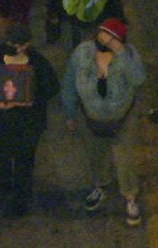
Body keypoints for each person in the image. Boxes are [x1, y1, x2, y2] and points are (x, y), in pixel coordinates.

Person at [61, 17, 145, 225]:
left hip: (122, 118)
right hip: (90, 118)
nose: (106, 39)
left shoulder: (128, 55)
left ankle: (130, 196)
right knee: (96, 155)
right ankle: (100, 186)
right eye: (103, 33)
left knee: (124, 159)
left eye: (112, 37)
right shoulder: (82, 53)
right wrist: (70, 113)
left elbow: (138, 79)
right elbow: (69, 84)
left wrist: (121, 52)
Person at [0, 23, 58, 217]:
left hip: (27, 123)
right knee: (0, 158)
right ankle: (5, 183)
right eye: (14, 44)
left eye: (21, 45)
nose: (17, 49)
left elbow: (52, 87)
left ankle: (20, 199)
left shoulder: (37, 63)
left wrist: (29, 100)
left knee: (24, 162)